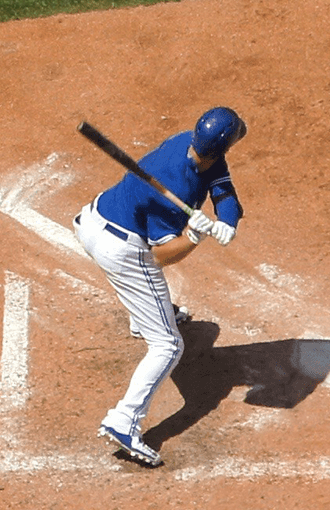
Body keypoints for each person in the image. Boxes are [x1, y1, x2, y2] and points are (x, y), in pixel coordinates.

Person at [73, 106, 247, 466]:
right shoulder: (174, 185)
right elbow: (161, 256)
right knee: (168, 345)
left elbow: (224, 190)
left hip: (95, 218)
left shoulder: (194, 144)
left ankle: (146, 315)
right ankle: (124, 420)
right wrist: (195, 235)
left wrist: (227, 220)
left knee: (165, 310)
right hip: (121, 249)